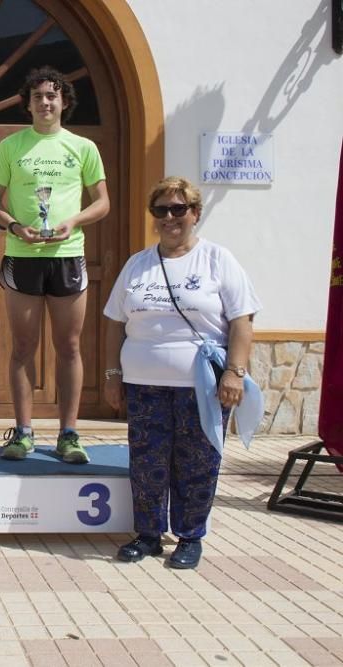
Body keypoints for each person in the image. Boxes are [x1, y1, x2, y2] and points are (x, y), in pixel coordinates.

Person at [103, 176, 260, 569]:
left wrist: (235, 374)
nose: (170, 217)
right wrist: (111, 374)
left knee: (198, 461)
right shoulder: (138, 264)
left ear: (195, 214)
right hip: (144, 384)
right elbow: (112, 323)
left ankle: (190, 536)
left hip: (202, 387)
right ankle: (149, 534)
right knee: (147, 461)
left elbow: (242, 320)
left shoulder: (217, 260)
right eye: (161, 210)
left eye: (179, 209)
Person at [0, 66, 109, 464]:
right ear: (28, 104)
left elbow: (102, 202)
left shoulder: (83, 147)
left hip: (67, 255)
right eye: (38, 96)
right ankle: (23, 433)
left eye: (52, 96)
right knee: (23, 346)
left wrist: (73, 221)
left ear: (64, 103)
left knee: (68, 346)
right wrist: (17, 226)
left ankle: (69, 434)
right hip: (23, 257)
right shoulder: (11, 146)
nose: (45, 102)